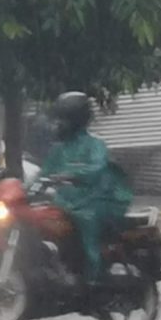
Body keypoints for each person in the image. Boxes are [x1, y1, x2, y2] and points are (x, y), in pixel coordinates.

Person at [40, 92, 132, 285]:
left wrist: (71, 174)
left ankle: (93, 277)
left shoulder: (95, 144)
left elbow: (97, 168)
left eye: (62, 119)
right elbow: (43, 173)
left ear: (75, 120)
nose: (57, 124)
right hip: (67, 200)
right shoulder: (58, 149)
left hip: (97, 199)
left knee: (87, 220)